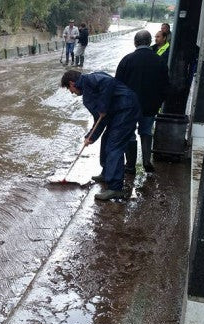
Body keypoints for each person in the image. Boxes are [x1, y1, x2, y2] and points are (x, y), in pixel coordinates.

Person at [61, 70, 141, 200]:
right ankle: (106, 173)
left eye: (69, 89)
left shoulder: (91, 79)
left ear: (72, 83)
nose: (71, 92)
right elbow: (100, 120)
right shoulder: (88, 90)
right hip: (119, 112)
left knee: (114, 147)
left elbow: (109, 82)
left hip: (126, 110)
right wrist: (90, 137)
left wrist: (103, 107)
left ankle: (115, 188)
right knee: (106, 140)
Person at [116, 30, 170, 173]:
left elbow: (117, 85)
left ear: (135, 42)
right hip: (151, 106)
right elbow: (166, 86)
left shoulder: (127, 60)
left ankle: (131, 165)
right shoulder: (159, 61)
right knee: (146, 131)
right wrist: (158, 102)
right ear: (149, 42)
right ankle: (146, 160)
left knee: (130, 133)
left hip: (129, 107)